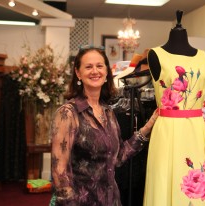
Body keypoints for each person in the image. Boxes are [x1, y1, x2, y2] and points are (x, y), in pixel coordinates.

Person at [50, 46, 158, 206]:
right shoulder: (68, 113)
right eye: (88, 67)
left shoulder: (108, 112)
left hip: (111, 200)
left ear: (106, 72)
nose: (95, 71)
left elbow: (118, 157)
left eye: (99, 66)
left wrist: (148, 126)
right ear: (78, 73)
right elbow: (59, 171)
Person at [143, 10, 205, 206]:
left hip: (195, 129)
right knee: (165, 180)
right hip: (166, 129)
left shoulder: (203, 56)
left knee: (194, 181)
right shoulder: (155, 54)